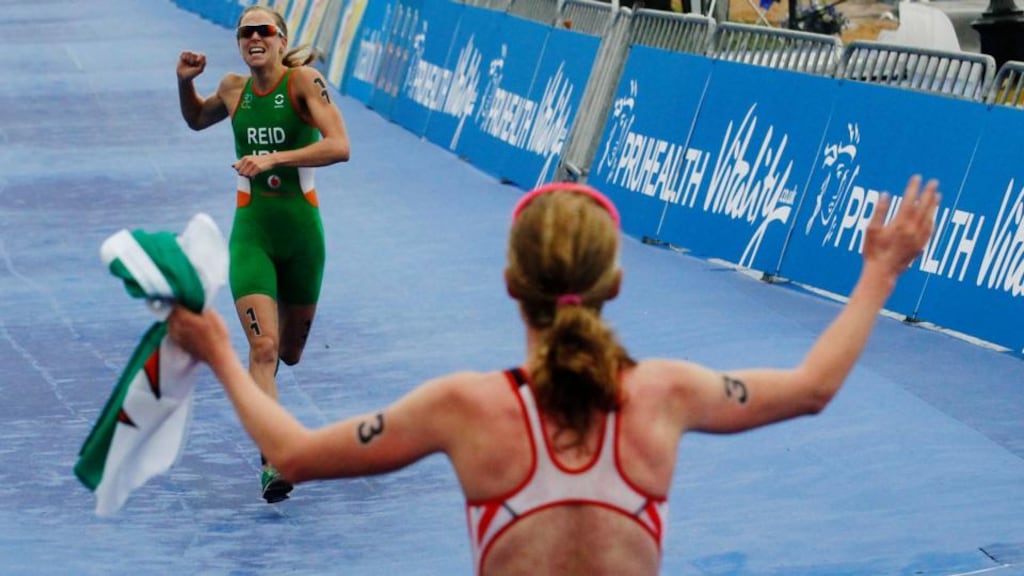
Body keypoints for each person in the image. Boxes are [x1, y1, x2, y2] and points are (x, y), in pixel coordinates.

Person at [167, 177, 939, 574]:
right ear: (616, 285)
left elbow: (294, 454)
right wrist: (879, 273)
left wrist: (221, 354)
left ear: (511, 283)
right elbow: (811, 387)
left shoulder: (463, 409)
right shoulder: (664, 394)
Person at [175, 5, 351, 503]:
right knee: (264, 349)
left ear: (280, 39)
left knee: (289, 354)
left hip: (302, 238)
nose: (254, 37)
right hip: (251, 233)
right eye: (245, 31)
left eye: (263, 30)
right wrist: (185, 84)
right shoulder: (233, 89)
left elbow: (340, 145)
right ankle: (275, 457)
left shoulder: (302, 83)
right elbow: (194, 120)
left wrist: (276, 158)